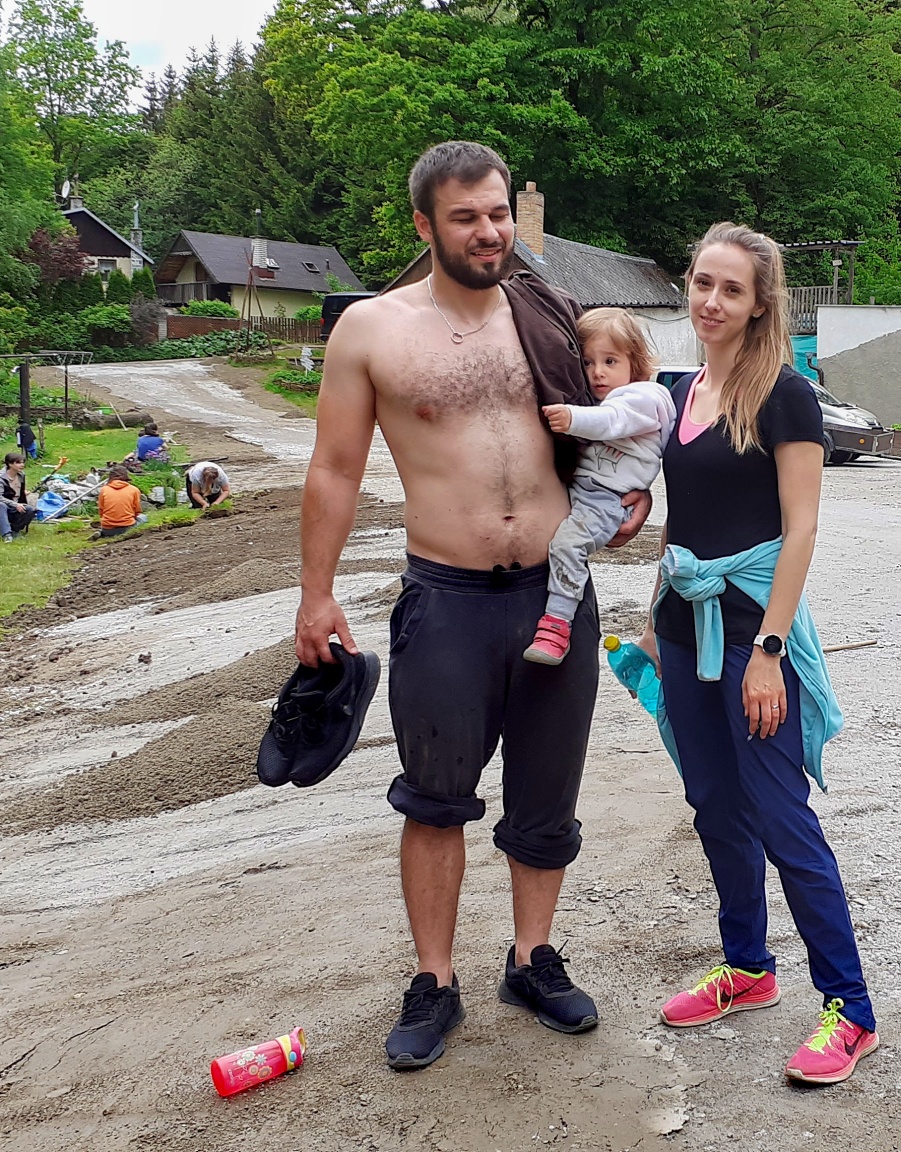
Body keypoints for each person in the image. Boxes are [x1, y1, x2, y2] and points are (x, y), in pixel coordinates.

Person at [291, 140, 650, 1072]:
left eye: (497, 214)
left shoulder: (550, 314)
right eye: (466, 218)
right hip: (447, 600)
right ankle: (434, 980)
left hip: (554, 593)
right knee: (434, 798)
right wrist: (316, 593)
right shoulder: (371, 330)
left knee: (547, 793)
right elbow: (333, 469)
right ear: (425, 223)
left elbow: (620, 419)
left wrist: (634, 495)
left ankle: (531, 960)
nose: (489, 232)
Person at [638, 222, 875, 1086]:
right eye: (703, 282)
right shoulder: (679, 391)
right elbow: (682, 518)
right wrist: (653, 610)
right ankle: (748, 967)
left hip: (751, 635)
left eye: (731, 289)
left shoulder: (786, 395)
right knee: (712, 804)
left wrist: (771, 649)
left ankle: (851, 1009)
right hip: (681, 627)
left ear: (760, 304)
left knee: (780, 816)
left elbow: (800, 528)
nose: (711, 300)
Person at [525, 308, 676, 665]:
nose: (597, 372)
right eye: (588, 362)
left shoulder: (643, 397)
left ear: (635, 363)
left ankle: (557, 625)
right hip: (587, 492)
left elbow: (612, 421)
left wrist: (571, 417)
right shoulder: (605, 399)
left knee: (568, 545)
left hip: (607, 499)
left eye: (610, 361)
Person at [0, 451, 33, 541]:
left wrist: (23, 492)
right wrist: (15, 504)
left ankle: (15, 530)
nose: (22, 465)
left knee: (30, 510)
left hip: (17, 504)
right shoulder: (0, 478)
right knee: (0, 505)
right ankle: (6, 535)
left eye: (23, 462)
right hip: (3, 505)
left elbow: (17, 489)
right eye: (18, 462)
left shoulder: (21, 475)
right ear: (10, 464)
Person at [96, 465, 142, 537]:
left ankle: (102, 532)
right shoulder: (134, 490)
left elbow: (101, 510)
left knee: (107, 525)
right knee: (143, 518)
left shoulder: (104, 489)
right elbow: (137, 511)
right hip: (127, 527)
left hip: (107, 529)